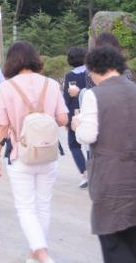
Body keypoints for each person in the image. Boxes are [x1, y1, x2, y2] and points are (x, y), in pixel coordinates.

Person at [0, 41, 68, 263]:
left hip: (21, 154)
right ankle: (35, 256)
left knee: (25, 208)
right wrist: (45, 120)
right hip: (48, 154)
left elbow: (1, 127)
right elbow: (63, 119)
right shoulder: (51, 84)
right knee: (43, 206)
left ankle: (42, 254)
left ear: (11, 61)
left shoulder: (7, 87)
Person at [72, 46, 136, 263]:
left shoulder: (94, 95)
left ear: (94, 69)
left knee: (115, 244)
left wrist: (77, 126)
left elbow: (88, 135)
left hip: (110, 181)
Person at [62, 47, 88, 188]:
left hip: (74, 113)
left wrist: (66, 120)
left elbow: (66, 100)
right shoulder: (91, 72)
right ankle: (93, 171)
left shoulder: (69, 76)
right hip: (90, 111)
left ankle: (85, 172)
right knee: (91, 143)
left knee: (73, 144)